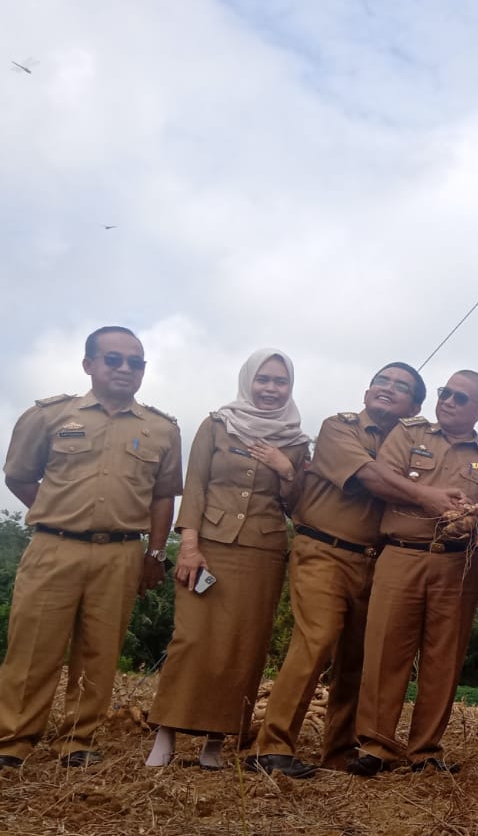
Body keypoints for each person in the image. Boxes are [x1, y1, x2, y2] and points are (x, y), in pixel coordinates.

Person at [0, 326, 182, 770]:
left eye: (134, 362)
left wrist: (154, 555)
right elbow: (19, 475)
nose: (124, 369)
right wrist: (62, 511)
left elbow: (163, 497)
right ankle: (14, 742)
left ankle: (78, 741)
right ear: (89, 365)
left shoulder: (161, 429)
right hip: (54, 547)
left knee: (99, 652)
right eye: (113, 359)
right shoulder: (49, 415)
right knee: (32, 648)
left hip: (121, 553)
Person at [251, 363, 428, 774]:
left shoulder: (417, 446)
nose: (387, 388)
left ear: (415, 406)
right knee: (317, 639)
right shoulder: (340, 428)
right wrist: (428, 495)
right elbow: (370, 477)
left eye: (400, 387)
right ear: (367, 390)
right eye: (381, 380)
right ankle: (272, 746)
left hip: (379, 561)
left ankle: (339, 751)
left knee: (359, 658)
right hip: (324, 551)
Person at [147, 349, 311, 770]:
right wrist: (188, 545)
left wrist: (286, 469)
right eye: (264, 380)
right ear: (248, 380)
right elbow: (195, 485)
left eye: (280, 382)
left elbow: (301, 506)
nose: (271, 389)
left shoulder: (296, 442)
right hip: (210, 546)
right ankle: (166, 732)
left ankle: (216, 742)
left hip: (263, 551)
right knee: (192, 639)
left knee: (242, 646)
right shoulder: (217, 424)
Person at [351, 371, 478, 775]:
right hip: (402, 554)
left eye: (460, 397)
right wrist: (433, 502)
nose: (449, 401)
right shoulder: (408, 435)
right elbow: (383, 483)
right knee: (386, 651)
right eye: (445, 392)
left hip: (458, 564)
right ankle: (376, 747)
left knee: (444, 658)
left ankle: (425, 751)